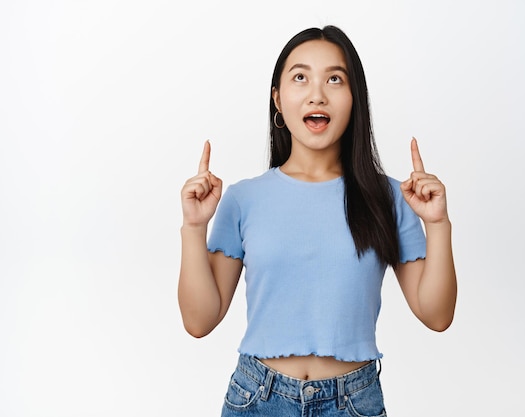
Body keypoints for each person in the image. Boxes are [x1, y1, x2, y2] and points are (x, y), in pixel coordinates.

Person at [178, 25, 457, 417]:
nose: (317, 93)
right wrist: (194, 228)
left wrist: (438, 225)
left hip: (353, 402)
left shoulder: (390, 197)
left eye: (334, 79)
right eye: (300, 77)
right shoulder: (243, 199)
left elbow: (437, 315)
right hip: (257, 398)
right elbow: (199, 320)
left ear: (354, 97)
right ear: (277, 98)